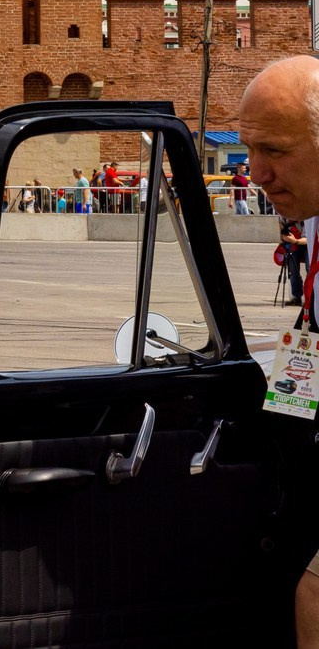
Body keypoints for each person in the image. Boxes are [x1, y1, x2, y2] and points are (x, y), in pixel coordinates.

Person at [236, 56, 319, 646]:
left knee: (315, 594)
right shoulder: (312, 214)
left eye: (276, 150)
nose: (256, 172)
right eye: (249, 150)